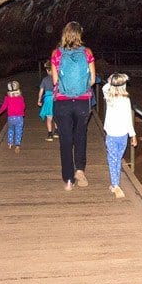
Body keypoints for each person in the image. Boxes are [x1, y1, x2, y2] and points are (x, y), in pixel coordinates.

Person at [51, 21, 96, 191]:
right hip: (82, 102)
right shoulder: (87, 52)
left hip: (62, 103)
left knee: (65, 139)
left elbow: (55, 81)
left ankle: (68, 179)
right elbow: (92, 80)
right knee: (80, 136)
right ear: (79, 35)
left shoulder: (56, 54)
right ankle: (80, 170)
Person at [102, 73, 137, 199]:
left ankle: (115, 184)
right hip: (123, 134)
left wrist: (110, 79)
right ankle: (115, 183)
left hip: (111, 134)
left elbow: (104, 88)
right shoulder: (126, 100)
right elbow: (128, 119)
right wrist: (133, 135)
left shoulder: (108, 97)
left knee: (113, 159)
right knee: (118, 158)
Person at [0, 80, 26, 154]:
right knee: (18, 131)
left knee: (11, 130)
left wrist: (0, 111)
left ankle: (10, 143)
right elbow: (23, 106)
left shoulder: (7, 98)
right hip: (19, 117)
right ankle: (17, 145)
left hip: (11, 117)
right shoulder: (20, 97)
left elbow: (4, 106)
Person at [37, 61, 58, 141]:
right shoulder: (57, 79)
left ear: (47, 70)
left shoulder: (45, 80)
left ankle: (50, 134)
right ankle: (56, 132)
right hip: (56, 99)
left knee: (49, 118)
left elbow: (41, 91)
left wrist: (39, 100)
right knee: (56, 117)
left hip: (48, 100)